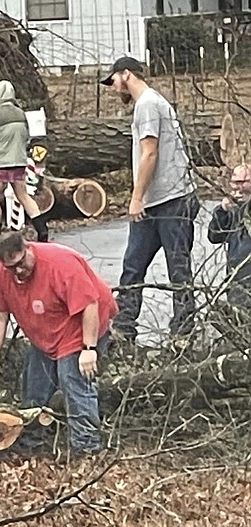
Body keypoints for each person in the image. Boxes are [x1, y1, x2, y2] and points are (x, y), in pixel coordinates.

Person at [0, 233, 117, 455]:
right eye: (11, 267)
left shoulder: (60, 265)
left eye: (20, 263)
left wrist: (88, 349)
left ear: (28, 247)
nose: (18, 271)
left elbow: (90, 305)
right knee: (35, 383)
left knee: (72, 380)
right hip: (45, 333)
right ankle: (32, 443)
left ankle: (87, 448)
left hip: (81, 325)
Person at [101, 56, 200, 341]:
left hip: (171, 199)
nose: (112, 88)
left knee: (177, 266)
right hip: (156, 200)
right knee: (133, 264)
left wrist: (136, 197)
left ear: (127, 75)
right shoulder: (150, 103)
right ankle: (124, 326)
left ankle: (183, 331)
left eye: (114, 81)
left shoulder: (147, 105)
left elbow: (150, 153)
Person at [0, 80, 48, 247]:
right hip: (18, 162)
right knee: (23, 196)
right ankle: (42, 229)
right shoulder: (21, 114)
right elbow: (26, 137)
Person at [208, 164, 251, 312]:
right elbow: (214, 236)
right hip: (235, 278)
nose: (238, 188)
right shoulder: (231, 208)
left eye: (243, 182)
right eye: (235, 182)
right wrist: (222, 211)